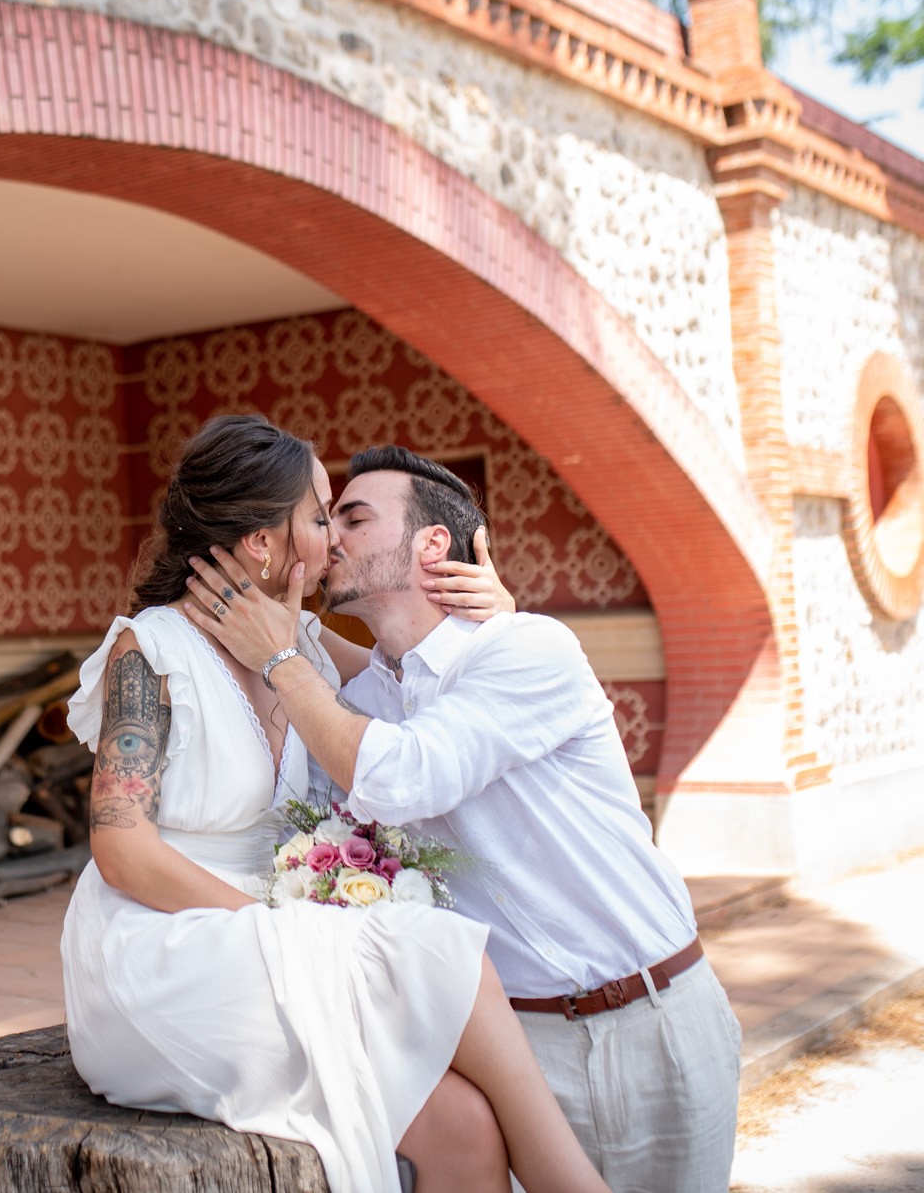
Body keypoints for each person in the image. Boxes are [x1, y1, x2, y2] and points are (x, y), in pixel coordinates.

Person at [61, 414, 609, 1193]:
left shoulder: (304, 646)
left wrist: (496, 608)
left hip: (266, 940)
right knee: (439, 946)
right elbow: (121, 849)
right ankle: (575, 1184)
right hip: (164, 947)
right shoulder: (149, 650)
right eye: (321, 517)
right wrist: (284, 929)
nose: (334, 536)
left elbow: (417, 662)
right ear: (262, 542)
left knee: (464, 1128)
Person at [184, 444, 744, 1193]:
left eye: (352, 515)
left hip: (655, 1020)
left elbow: (404, 772)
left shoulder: (525, 647)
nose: (330, 536)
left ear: (434, 544)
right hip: (518, 1047)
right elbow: (320, 745)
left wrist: (281, 654)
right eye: (325, 517)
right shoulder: (364, 706)